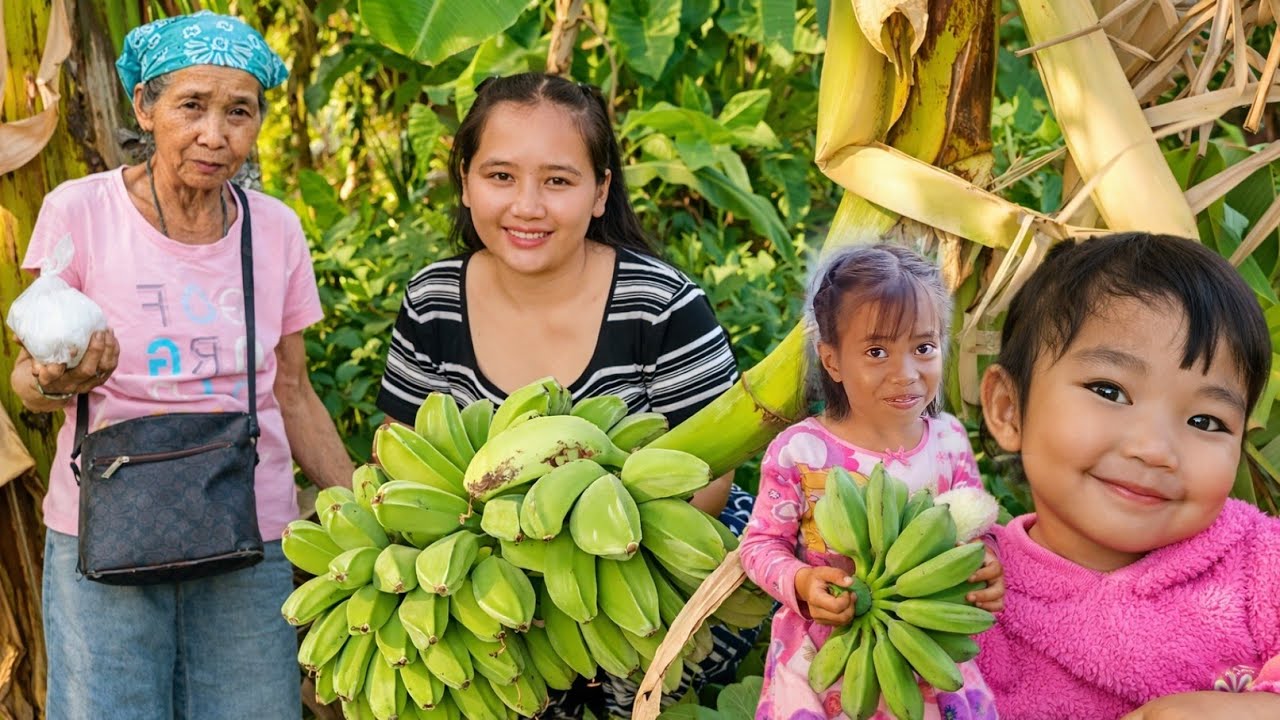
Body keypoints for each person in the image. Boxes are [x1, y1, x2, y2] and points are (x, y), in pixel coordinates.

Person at [375, 71, 758, 715]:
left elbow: (708, 481)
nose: (527, 205)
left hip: (644, 587)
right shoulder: (433, 301)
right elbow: (401, 456)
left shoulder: (660, 305)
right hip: (487, 599)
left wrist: (568, 581)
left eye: (558, 180)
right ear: (465, 183)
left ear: (601, 192)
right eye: (500, 176)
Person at [8, 12, 354, 719]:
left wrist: (369, 509)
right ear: (145, 107)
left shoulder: (276, 229)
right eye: (191, 106)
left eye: (240, 112)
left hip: (248, 531)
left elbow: (293, 390)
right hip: (104, 533)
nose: (215, 134)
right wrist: (55, 377)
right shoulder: (81, 211)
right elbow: (26, 381)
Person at [977, 232, 1280, 719]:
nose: (1155, 450)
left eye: (1205, 421)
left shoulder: (1261, 564)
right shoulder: (968, 588)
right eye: (1110, 391)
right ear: (1009, 408)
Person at [739, 243, 1005, 719]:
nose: (905, 375)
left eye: (924, 348)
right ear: (833, 361)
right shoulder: (800, 452)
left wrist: (988, 558)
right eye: (877, 351)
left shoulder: (947, 440)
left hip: (925, 648)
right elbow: (759, 545)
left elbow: (977, 520)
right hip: (827, 656)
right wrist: (801, 580)